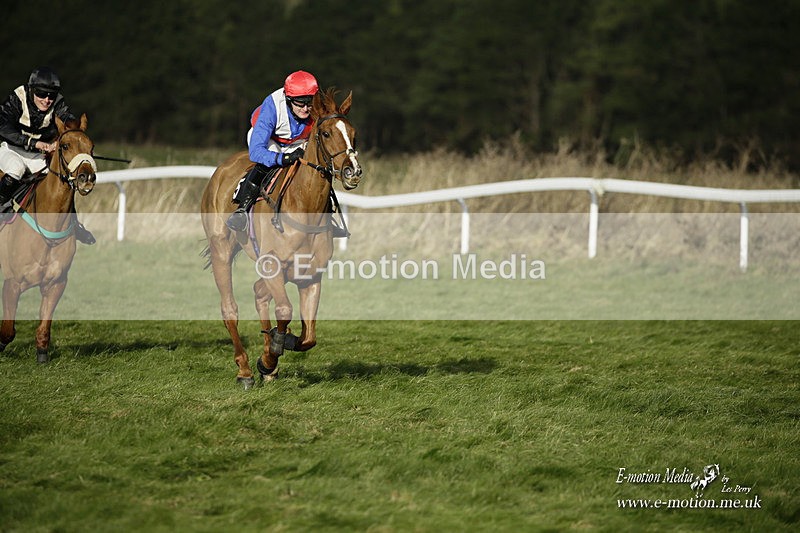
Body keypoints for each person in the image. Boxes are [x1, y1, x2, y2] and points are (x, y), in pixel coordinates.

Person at [0, 67, 95, 244]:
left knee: (62, 178)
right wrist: (32, 143)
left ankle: (74, 224)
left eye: (51, 95)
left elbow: (68, 122)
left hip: (37, 156)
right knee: (16, 169)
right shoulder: (17, 97)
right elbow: (3, 127)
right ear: (32, 90)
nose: (47, 100)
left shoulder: (58, 103)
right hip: (11, 150)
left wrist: (64, 141)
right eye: (42, 94)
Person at [226, 70, 319, 232]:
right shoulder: (272, 106)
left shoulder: (316, 106)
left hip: (298, 141)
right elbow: (256, 152)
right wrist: (283, 158)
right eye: (300, 103)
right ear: (288, 99)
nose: (305, 108)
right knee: (266, 163)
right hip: (270, 140)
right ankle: (242, 209)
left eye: (309, 103)